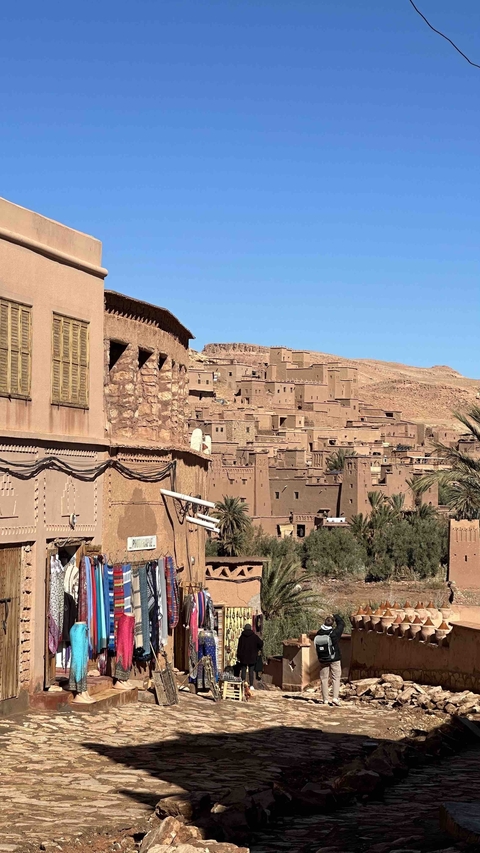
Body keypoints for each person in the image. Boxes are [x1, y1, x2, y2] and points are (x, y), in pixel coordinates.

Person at [314, 613, 345, 706]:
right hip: (334, 658)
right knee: (336, 678)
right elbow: (342, 624)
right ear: (332, 624)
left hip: (323, 659)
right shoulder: (334, 633)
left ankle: (325, 699)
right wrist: (335, 615)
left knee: (324, 678)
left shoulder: (319, 632)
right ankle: (335, 698)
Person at [236, 624, 263, 690]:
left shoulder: (242, 637)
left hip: (243, 657)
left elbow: (239, 647)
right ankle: (251, 685)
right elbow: (261, 643)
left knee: (243, 670)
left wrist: (238, 656)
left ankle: (242, 683)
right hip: (252, 657)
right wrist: (258, 648)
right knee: (251, 671)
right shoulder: (254, 636)